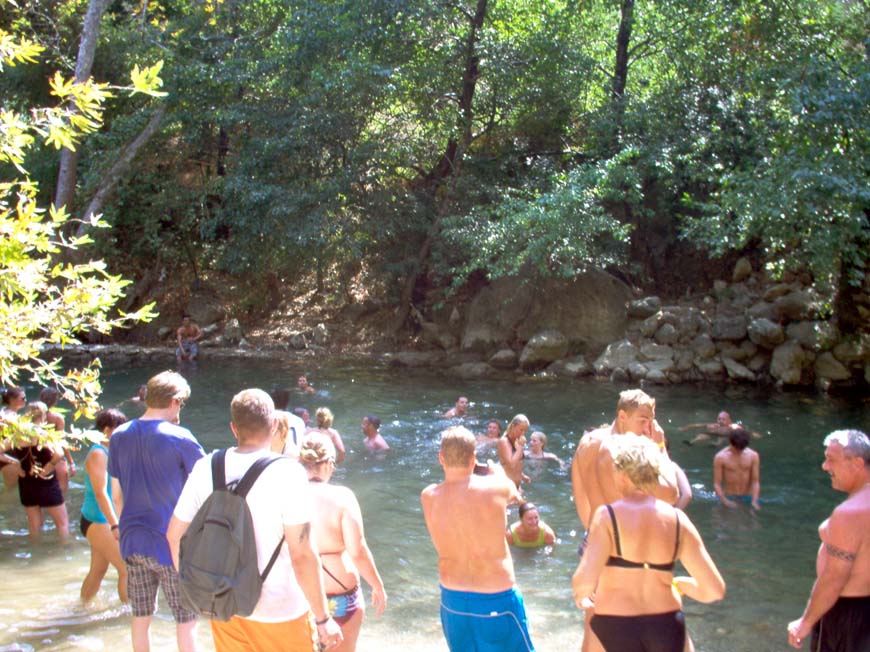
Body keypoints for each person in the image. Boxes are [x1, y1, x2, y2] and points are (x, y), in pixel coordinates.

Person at [168, 389, 343, 652]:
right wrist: (323, 618)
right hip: (281, 612)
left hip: (226, 606)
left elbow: (173, 536)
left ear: (233, 427)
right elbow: (302, 554)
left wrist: (199, 588)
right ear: (274, 426)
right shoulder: (288, 473)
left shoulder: (206, 466)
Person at [572, 434, 726, 652]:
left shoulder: (607, 517)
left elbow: (583, 582)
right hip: (666, 625)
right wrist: (681, 584)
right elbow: (714, 590)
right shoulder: (678, 519)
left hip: (614, 623)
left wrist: (581, 597)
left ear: (622, 474)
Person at [570, 389, 679, 652]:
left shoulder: (588, 441)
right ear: (622, 416)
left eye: (651, 421)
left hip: (595, 540)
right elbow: (671, 494)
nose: (649, 428)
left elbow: (580, 496)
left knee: (594, 625)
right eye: (643, 420)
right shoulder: (626, 453)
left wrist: (592, 534)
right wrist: (660, 447)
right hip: (623, 547)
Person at [108, 370, 204, 652]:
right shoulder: (181, 437)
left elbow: (116, 495)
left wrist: (124, 526)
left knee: (140, 617)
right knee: (186, 620)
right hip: (172, 544)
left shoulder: (119, 435)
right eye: (181, 403)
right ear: (174, 401)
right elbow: (207, 486)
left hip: (132, 542)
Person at [421, 426, 535, 652]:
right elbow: (515, 494)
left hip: (452, 599)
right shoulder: (495, 488)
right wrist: (497, 472)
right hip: (496, 596)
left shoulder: (428, 496)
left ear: (441, 458)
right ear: (473, 459)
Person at [299, 431, 388, 651]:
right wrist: (377, 585)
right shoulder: (342, 497)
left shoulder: (287, 496)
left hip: (301, 598)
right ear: (329, 463)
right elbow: (357, 551)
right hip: (341, 596)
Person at [787, 429, 870, 652]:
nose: (825, 466)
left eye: (831, 459)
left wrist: (805, 622)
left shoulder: (850, 513)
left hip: (847, 616)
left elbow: (835, 577)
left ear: (857, 463)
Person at [0, 401, 69, 540]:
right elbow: (59, 453)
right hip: (46, 481)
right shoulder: (43, 434)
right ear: (43, 416)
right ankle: (65, 547)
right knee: (62, 524)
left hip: (26, 481)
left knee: (34, 525)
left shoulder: (18, 435)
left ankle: (34, 547)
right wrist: (49, 467)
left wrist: (16, 463)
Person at [80, 408, 129, 603]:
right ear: (107, 430)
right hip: (99, 520)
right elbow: (101, 493)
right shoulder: (98, 453)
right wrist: (115, 524)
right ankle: (130, 615)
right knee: (127, 568)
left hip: (102, 519)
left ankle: (81, 608)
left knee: (98, 570)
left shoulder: (111, 452)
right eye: (120, 428)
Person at [713, 427, 761, 510]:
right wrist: (725, 501)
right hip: (729, 496)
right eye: (737, 448)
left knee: (752, 517)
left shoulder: (753, 455)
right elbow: (717, 483)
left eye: (742, 448)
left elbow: (755, 481)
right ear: (731, 443)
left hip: (747, 497)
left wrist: (754, 501)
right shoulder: (720, 457)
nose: (739, 451)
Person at [39, 387, 76, 494]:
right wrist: (71, 462)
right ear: (55, 401)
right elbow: (61, 441)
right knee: (62, 492)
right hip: (56, 456)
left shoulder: (30, 416)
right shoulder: (57, 418)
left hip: (38, 456)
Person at [680, 411, 761, 446]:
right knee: (701, 436)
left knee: (721, 440)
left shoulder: (732, 426)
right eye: (719, 419)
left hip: (726, 436)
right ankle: (691, 442)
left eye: (723, 419)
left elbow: (744, 431)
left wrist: (753, 434)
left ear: (729, 420)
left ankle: (716, 445)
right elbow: (697, 425)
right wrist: (685, 428)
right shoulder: (713, 425)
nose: (721, 421)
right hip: (712, 435)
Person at [1, 387, 27, 489]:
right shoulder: (8, 417)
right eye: (23, 398)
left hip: (9, 455)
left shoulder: (5, 412)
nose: (25, 400)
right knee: (12, 489)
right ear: (12, 400)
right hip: (8, 456)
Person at [498, 414, 531, 488]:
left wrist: (522, 476)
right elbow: (511, 464)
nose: (523, 433)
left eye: (525, 431)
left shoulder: (517, 440)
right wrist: (521, 447)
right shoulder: (504, 441)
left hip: (516, 486)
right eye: (521, 430)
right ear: (513, 426)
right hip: (506, 487)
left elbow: (517, 463)